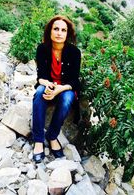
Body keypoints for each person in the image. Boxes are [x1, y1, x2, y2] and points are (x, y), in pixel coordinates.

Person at [32, 15, 81, 163]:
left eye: (63, 30)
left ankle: (52, 136)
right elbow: (40, 77)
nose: (59, 33)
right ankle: (38, 140)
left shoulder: (74, 52)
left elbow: (75, 81)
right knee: (39, 93)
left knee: (67, 98)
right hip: (49, 84)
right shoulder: (42, 49)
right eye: (56, 29)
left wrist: (59, 89)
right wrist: (47, 85)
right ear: (50, 31)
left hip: (65, 87)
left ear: (68, 34)